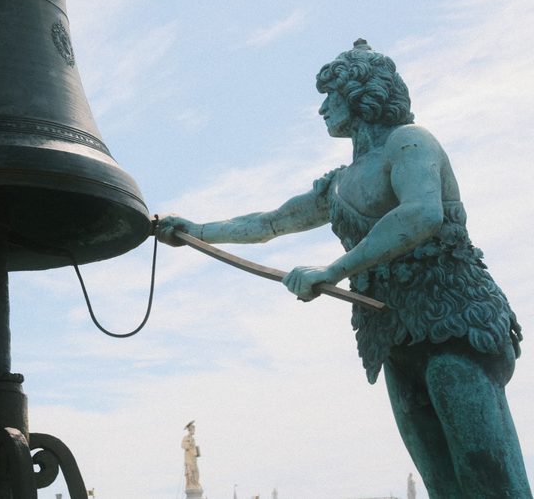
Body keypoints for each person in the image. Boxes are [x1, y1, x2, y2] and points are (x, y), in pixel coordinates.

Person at [157, 40, 529, 498]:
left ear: (359, 95)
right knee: (442, 485)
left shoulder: (411, 143)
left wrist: (331, 271)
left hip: (454, 320)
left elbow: (420, 214)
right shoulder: (338, 184)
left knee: (486, 473)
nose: (322, 109)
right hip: (394, 335)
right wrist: (198, 230)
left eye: (330, 96)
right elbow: (269, 222)